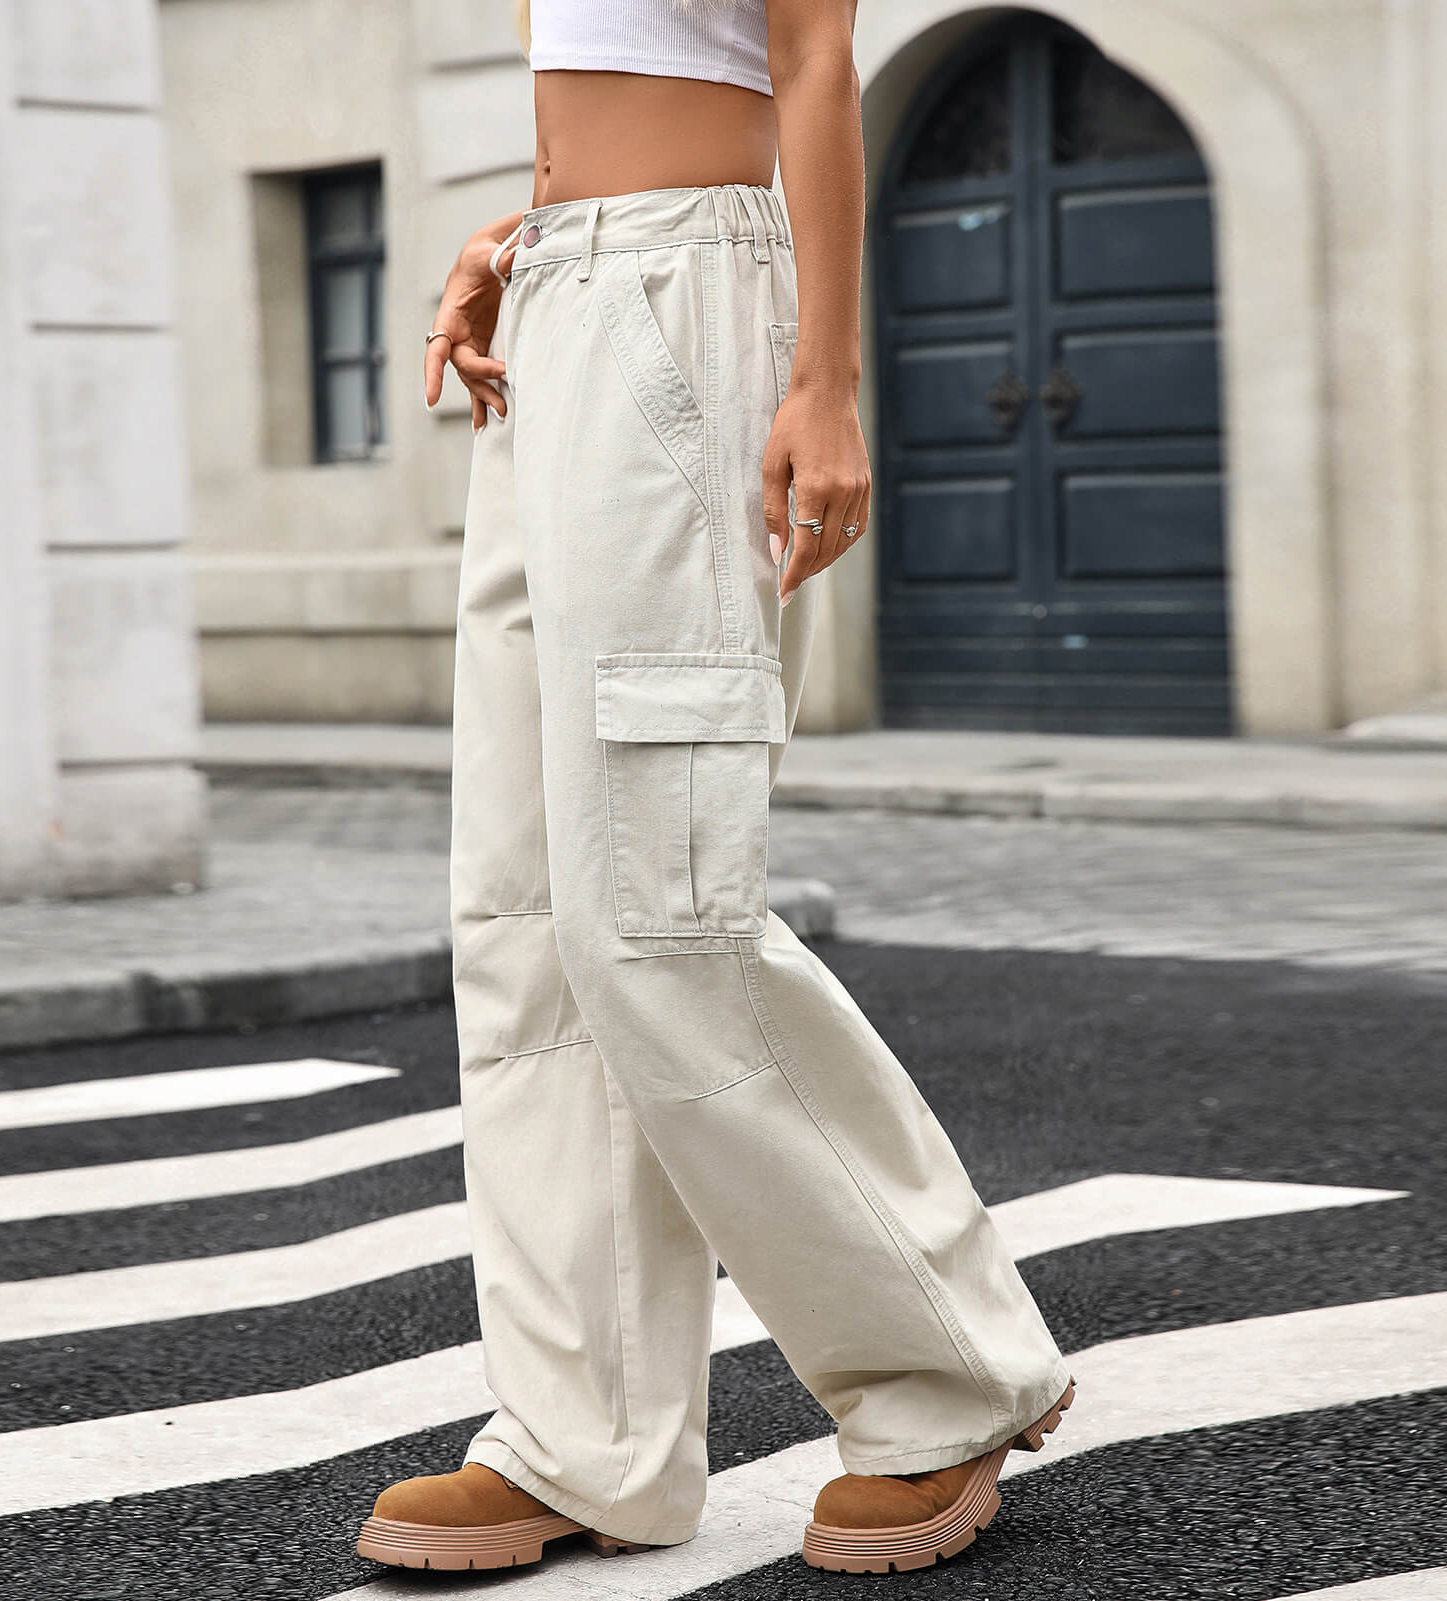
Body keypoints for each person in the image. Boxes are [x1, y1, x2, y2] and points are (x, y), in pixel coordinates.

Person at [356, 0, 1073, 1577]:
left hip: (685, 306)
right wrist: (525, 233)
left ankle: (947, 1372)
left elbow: (809, 59)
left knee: (658, 908)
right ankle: (582, 1437)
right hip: (565, 297)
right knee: (525, 918)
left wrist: (826, 381)